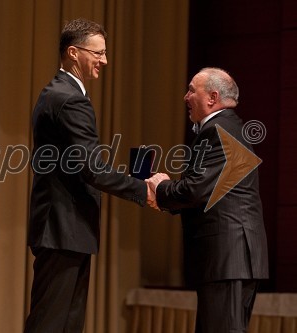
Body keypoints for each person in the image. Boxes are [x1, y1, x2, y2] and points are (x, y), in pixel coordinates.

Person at [25, 18, 152, 333]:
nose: (104, 61)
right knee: (52, 324)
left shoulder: (57, 93)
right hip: (63, 228)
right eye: (98, 53)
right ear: (73, 52)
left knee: (65, 323)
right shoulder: (70, 99)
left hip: (64, 228)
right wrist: (144, 188)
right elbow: (92, 168)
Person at [146, 67, 269, 333]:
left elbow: (194, 191)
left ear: (212, 97)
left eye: (192, 89)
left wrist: (161, 187)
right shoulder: (229, 127)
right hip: (233, 257)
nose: (185, 97)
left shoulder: (217, 130)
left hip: (228, 256)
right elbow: (207, 193)